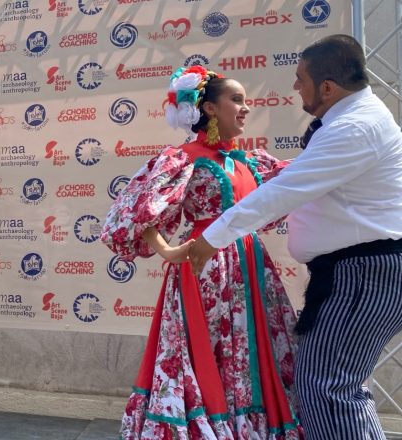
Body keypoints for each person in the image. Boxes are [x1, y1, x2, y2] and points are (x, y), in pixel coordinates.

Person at [189, 34, 402, 439]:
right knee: (333, 386)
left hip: (362, 275)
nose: (294, 86)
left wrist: (208, 239)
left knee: (329, 389)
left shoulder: (355, 128)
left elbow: (283, 193)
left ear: (327, 87)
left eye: (300, 78)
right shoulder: (349, 123)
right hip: (355, 273)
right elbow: (290, 182)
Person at [102, 66, 302, 438]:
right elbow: (138, 210)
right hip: (204, 269)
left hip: (250, 267)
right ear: (210, 109)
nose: (245, 108)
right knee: (207, 350)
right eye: (236, 100)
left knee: (249, 350)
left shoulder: (249, 161)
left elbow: (299, 183)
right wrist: (168, 251)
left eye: (245, 101)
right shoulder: (183, 157)